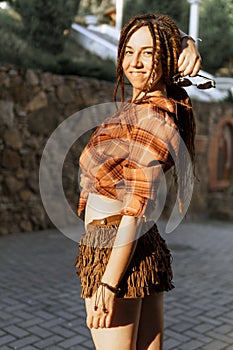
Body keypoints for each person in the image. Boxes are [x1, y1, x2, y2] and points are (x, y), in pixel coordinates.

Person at [75, 13, 200, 350]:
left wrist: (109, 282)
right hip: (139, 245)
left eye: (148, 53)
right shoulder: (144, 107)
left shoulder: (150, 117)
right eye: (129, 52)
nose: (136, 62)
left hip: (116, 246)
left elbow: (136, 207)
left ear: (165, 60)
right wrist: (187, 41)